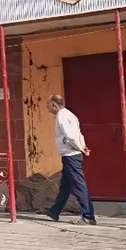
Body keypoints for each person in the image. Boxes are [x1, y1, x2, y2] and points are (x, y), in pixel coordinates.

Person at [45, 94, 96, 225]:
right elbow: (79, 134)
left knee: (79, 185)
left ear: (54, 105)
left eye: (49, 105)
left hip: (70, 155)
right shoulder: (71, 115)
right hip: (72, 154)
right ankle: (54, 212)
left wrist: (79, 147)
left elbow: (70, 136)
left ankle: (88, 216)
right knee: (66, 186)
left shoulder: (61, 116)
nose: (48, 108)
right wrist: (83, 146)